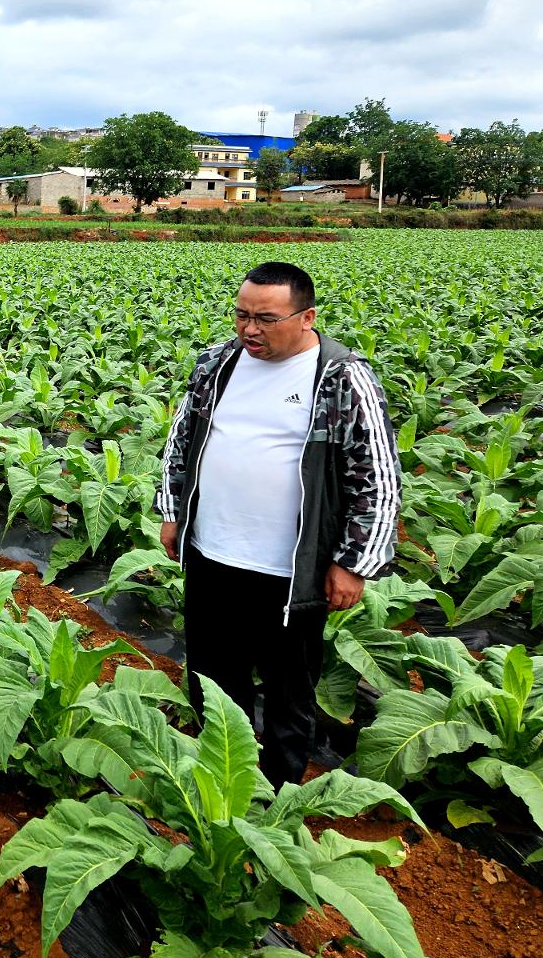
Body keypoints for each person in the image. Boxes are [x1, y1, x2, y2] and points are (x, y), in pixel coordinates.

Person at [157, 261, 400, 788]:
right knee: (213, 679)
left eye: (266, 319)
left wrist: (354, 563)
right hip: (212, 553)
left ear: (307, 316)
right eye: (241, 315)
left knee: (289, 690)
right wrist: (174, 512)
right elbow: (181, 441)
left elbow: (376, 476)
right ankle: (220, 778)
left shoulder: (340, 379)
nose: (249, 330)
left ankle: (281, 792)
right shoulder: (218, 365)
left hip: (289, 570)